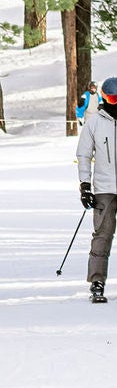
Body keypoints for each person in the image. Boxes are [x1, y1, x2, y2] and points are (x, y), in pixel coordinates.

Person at [77, 76, 117, 304]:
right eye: (112, 98)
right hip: (104, 189)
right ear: (104, 97)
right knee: (102, 235)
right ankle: (97, 281)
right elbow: (84, 155)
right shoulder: (94, 122)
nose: (115, 102)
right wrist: (85, 185)